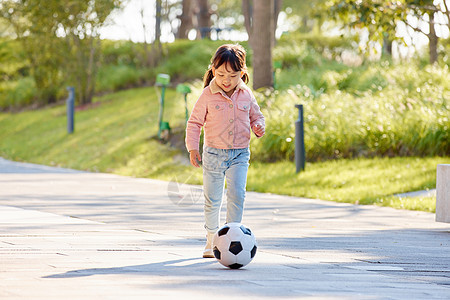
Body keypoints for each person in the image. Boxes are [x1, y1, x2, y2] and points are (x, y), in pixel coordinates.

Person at [185, 44, 265, 258]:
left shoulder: (246, 94)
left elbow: (256, 116)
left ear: (243, 73)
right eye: (221, 74)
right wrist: (193, 148)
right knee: (212, 198)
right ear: (212, 70)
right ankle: (212, 238)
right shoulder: (207, 95)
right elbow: (194, 123)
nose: (226, 80)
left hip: (240, 154)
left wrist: (258, 126)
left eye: (233, 75)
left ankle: (232, 236)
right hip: (213, 154)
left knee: (237, 194)